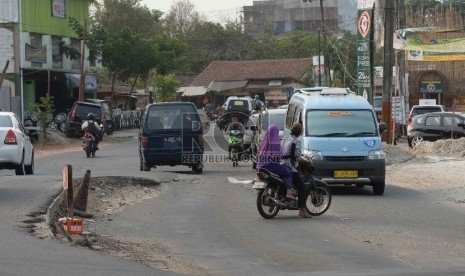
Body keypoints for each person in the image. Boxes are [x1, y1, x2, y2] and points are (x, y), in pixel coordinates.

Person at [256, 124, 295, 200]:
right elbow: (277, 157)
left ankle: (274, 198)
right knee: (288, 172)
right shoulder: (276, 142)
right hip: (270, 165)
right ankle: (289, 193)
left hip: (260, 166)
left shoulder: (264, 142)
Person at [281, 122, 311, 218]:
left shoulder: (285, 139)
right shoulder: (296, 142)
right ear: (300, 132)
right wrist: (306, 161)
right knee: (301, 186)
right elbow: (297, 157)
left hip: (281, 164)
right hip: (289, 166)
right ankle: (302, 210)